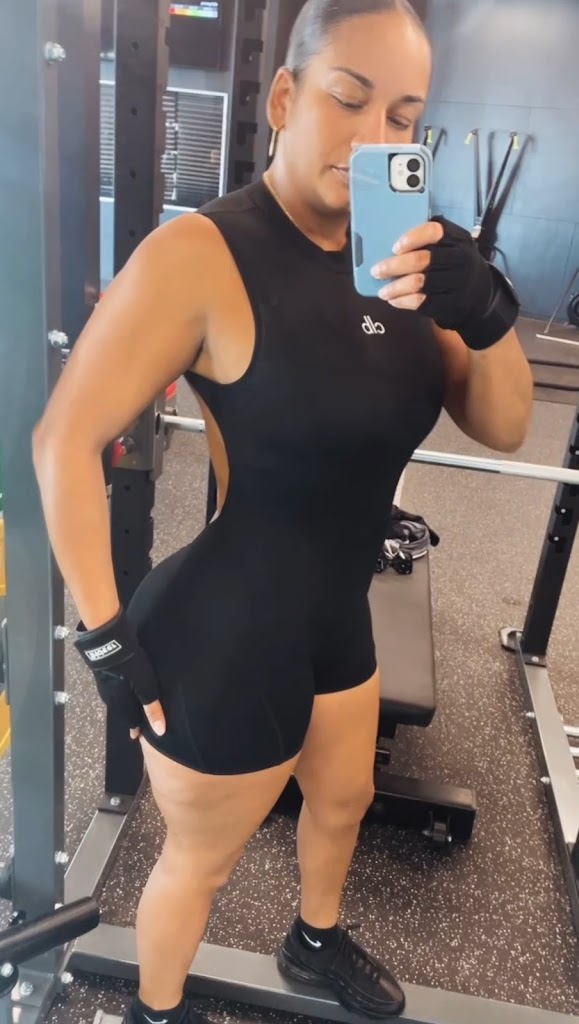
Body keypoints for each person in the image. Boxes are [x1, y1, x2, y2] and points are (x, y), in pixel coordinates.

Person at [32, 1, 534, 1022]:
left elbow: (505, 424)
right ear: (283, 98)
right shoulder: (202, 256)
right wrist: (104, 634)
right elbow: (63, 440)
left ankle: (313, 941)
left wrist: (481, 306)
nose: (374, 136)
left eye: (404, 116)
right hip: (231, 628)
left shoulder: (408, 263)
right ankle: (156, 1011)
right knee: (201, 864)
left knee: (343, 801)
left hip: (338, 607)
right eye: (349, 99)